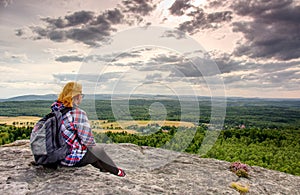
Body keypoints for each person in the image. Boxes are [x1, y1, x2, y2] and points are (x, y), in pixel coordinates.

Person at [51, 81, 126, 177]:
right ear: (77, 96)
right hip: (67, 159)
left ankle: (105, 168)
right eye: (81, 94)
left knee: (91, 153)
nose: (82, 97)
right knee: (98, 151)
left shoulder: (56, 109)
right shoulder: (78, 114)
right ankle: (118, 172)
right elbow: (89, 142)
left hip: (54, 155)